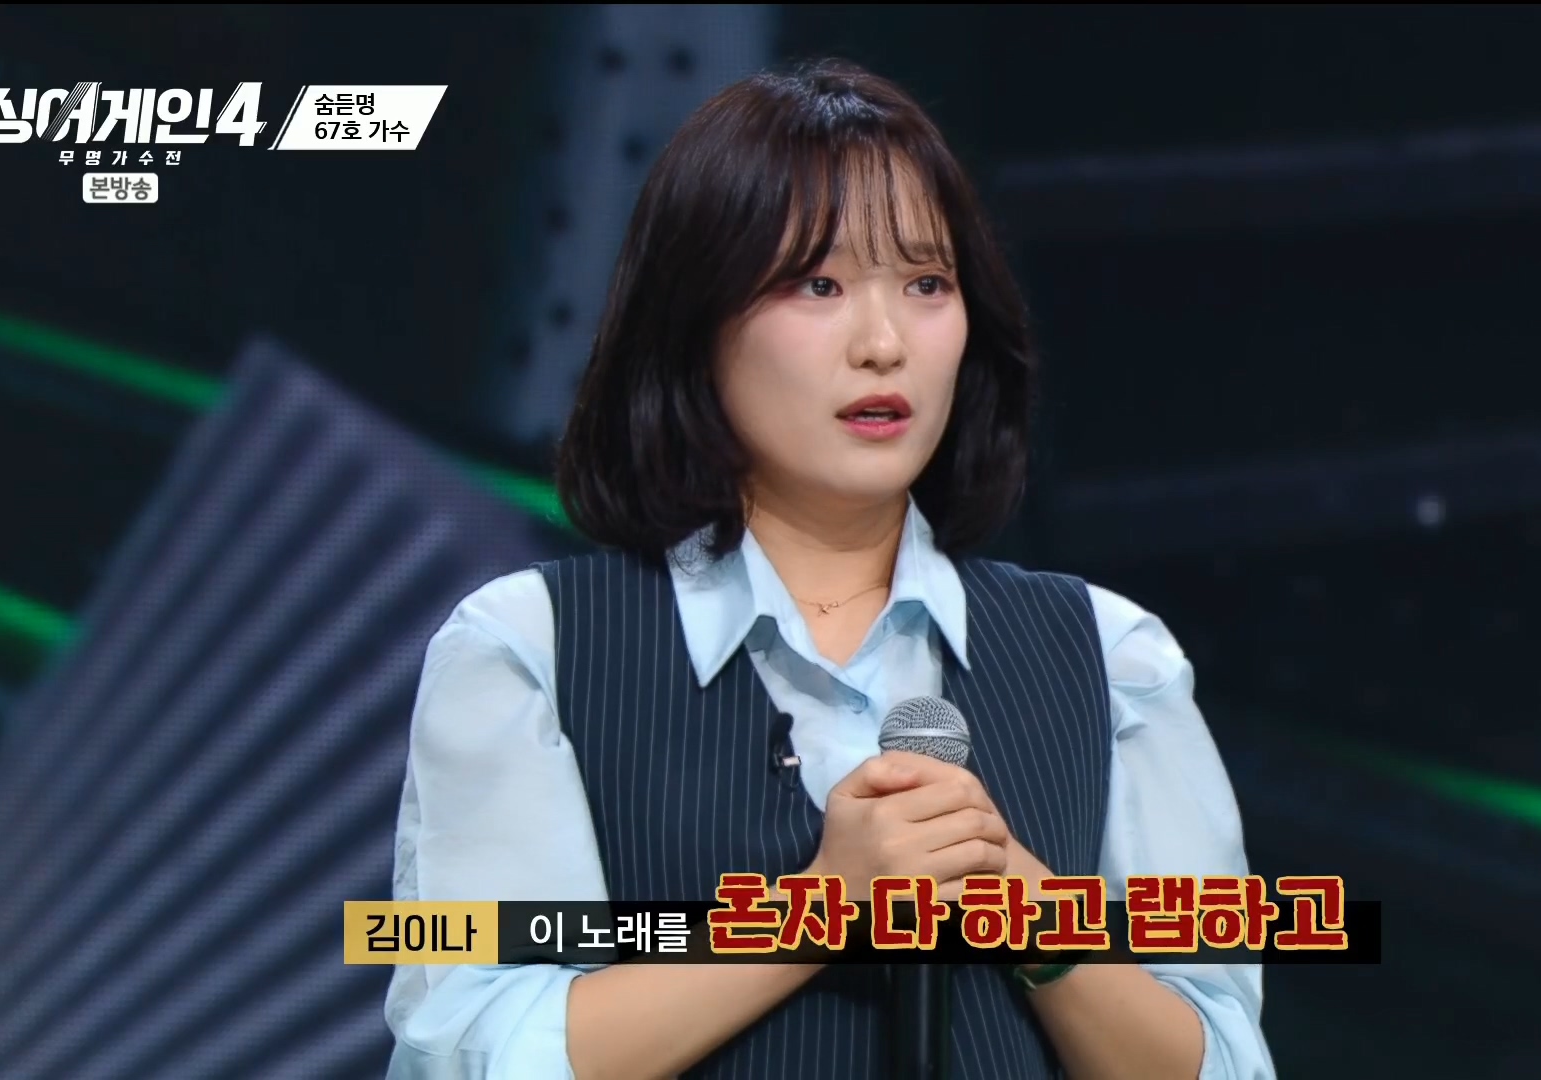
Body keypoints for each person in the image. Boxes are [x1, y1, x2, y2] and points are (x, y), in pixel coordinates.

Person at [384, 58, 1274, 1080]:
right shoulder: (529, 651)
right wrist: (818, 911)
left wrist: (1031, 910)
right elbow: (478, 1050)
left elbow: (1225, 1059)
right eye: (820, 284)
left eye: (928, 284)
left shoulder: (1113, 661)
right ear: (694, 321)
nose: (884, 343)